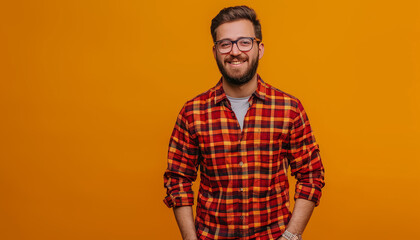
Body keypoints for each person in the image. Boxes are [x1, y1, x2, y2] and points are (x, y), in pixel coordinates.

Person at [163, 5, 325, 240]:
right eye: (225, 43)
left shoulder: (289, 109)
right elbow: (177, 180)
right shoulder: (193, 113)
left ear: (259, 49)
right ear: (215, 51)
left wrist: (291, 237)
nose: (235, 51)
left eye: (244, 42)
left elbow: (311, 174)